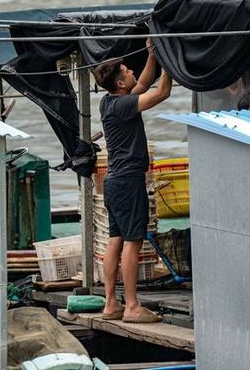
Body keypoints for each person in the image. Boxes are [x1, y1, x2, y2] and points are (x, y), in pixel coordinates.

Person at [93, 40, 172, 323]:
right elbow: (161, 91)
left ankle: (111, 303)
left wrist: (153, 56)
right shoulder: (125, 105)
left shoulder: (109, 102)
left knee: (116, 239)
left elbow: (144, 84)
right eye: (128, 71)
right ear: (121, 84)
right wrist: (171, 62)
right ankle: (133, 307)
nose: (132, 73)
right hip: (128, 182)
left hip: (114, 182)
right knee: (132, 241)